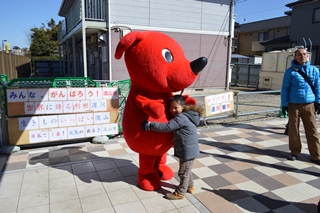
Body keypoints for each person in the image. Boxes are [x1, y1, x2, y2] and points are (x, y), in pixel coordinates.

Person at [141, 95, 204, 200]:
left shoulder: (181, 118)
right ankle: (190, 186)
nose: (173, 110)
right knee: (187, 170)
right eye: (171, 107)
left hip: (187, 150)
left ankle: (180, 193)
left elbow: (167, 127)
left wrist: (150, 125)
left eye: (176, 107)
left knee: (183, 172)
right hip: (188, 149)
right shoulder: (187, 116)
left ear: (183, 107)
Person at [281, 47, 320, 165]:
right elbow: (285, 89)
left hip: (309, 104)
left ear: (307, 56)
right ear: (295, 57)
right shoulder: (290, 72)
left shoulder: (314, 70)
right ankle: (294, 151)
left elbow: (318, 87)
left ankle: (316, 155)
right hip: (294, 104)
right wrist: (284, 104)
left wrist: (318, 102)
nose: (302, 56)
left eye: (304, 54)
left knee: (312, 130)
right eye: (299, 54)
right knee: (294, 130)